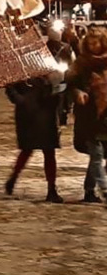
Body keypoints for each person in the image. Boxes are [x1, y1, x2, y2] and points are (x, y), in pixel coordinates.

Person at [3, 73, 64, 203]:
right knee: (27, 149)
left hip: (47, 110)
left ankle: (51, 188)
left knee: (49, 150)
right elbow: (10, 86)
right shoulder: (20, 66)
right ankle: (14, 177)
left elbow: (59, 84)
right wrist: (20, 99)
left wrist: (56, 91)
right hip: (28, 113)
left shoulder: (48, 62)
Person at [66, 27, 107, 203]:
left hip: (106, 115)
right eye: (90, 44)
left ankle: (89, 191)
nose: (93, 46)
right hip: (90, 116)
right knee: (96, 155)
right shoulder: (82, 64)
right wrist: (77, 93)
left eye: (96, 43)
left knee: (100, 157)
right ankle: (104, 189)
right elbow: (70, 84)